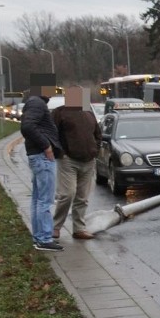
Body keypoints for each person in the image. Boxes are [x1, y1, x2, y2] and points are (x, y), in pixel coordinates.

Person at [52, 86, 102, 240]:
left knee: (82, 197)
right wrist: (61, 153)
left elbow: (97, 133)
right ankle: (55, 227)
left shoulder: (88, 112)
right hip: (69, 161)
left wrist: (96, 150)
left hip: (88, 161)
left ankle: (79, 229)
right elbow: (52, 134)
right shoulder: (60, 113)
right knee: (67, 194)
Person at [20, 92, 64, 251]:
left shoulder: (34, 102)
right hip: (42, 157)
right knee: (45, 200)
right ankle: (44, 238)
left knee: (38, 199)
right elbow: (27, 126)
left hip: (37, 156)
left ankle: (39, 237)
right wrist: (46, 146)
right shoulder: (37, 103)